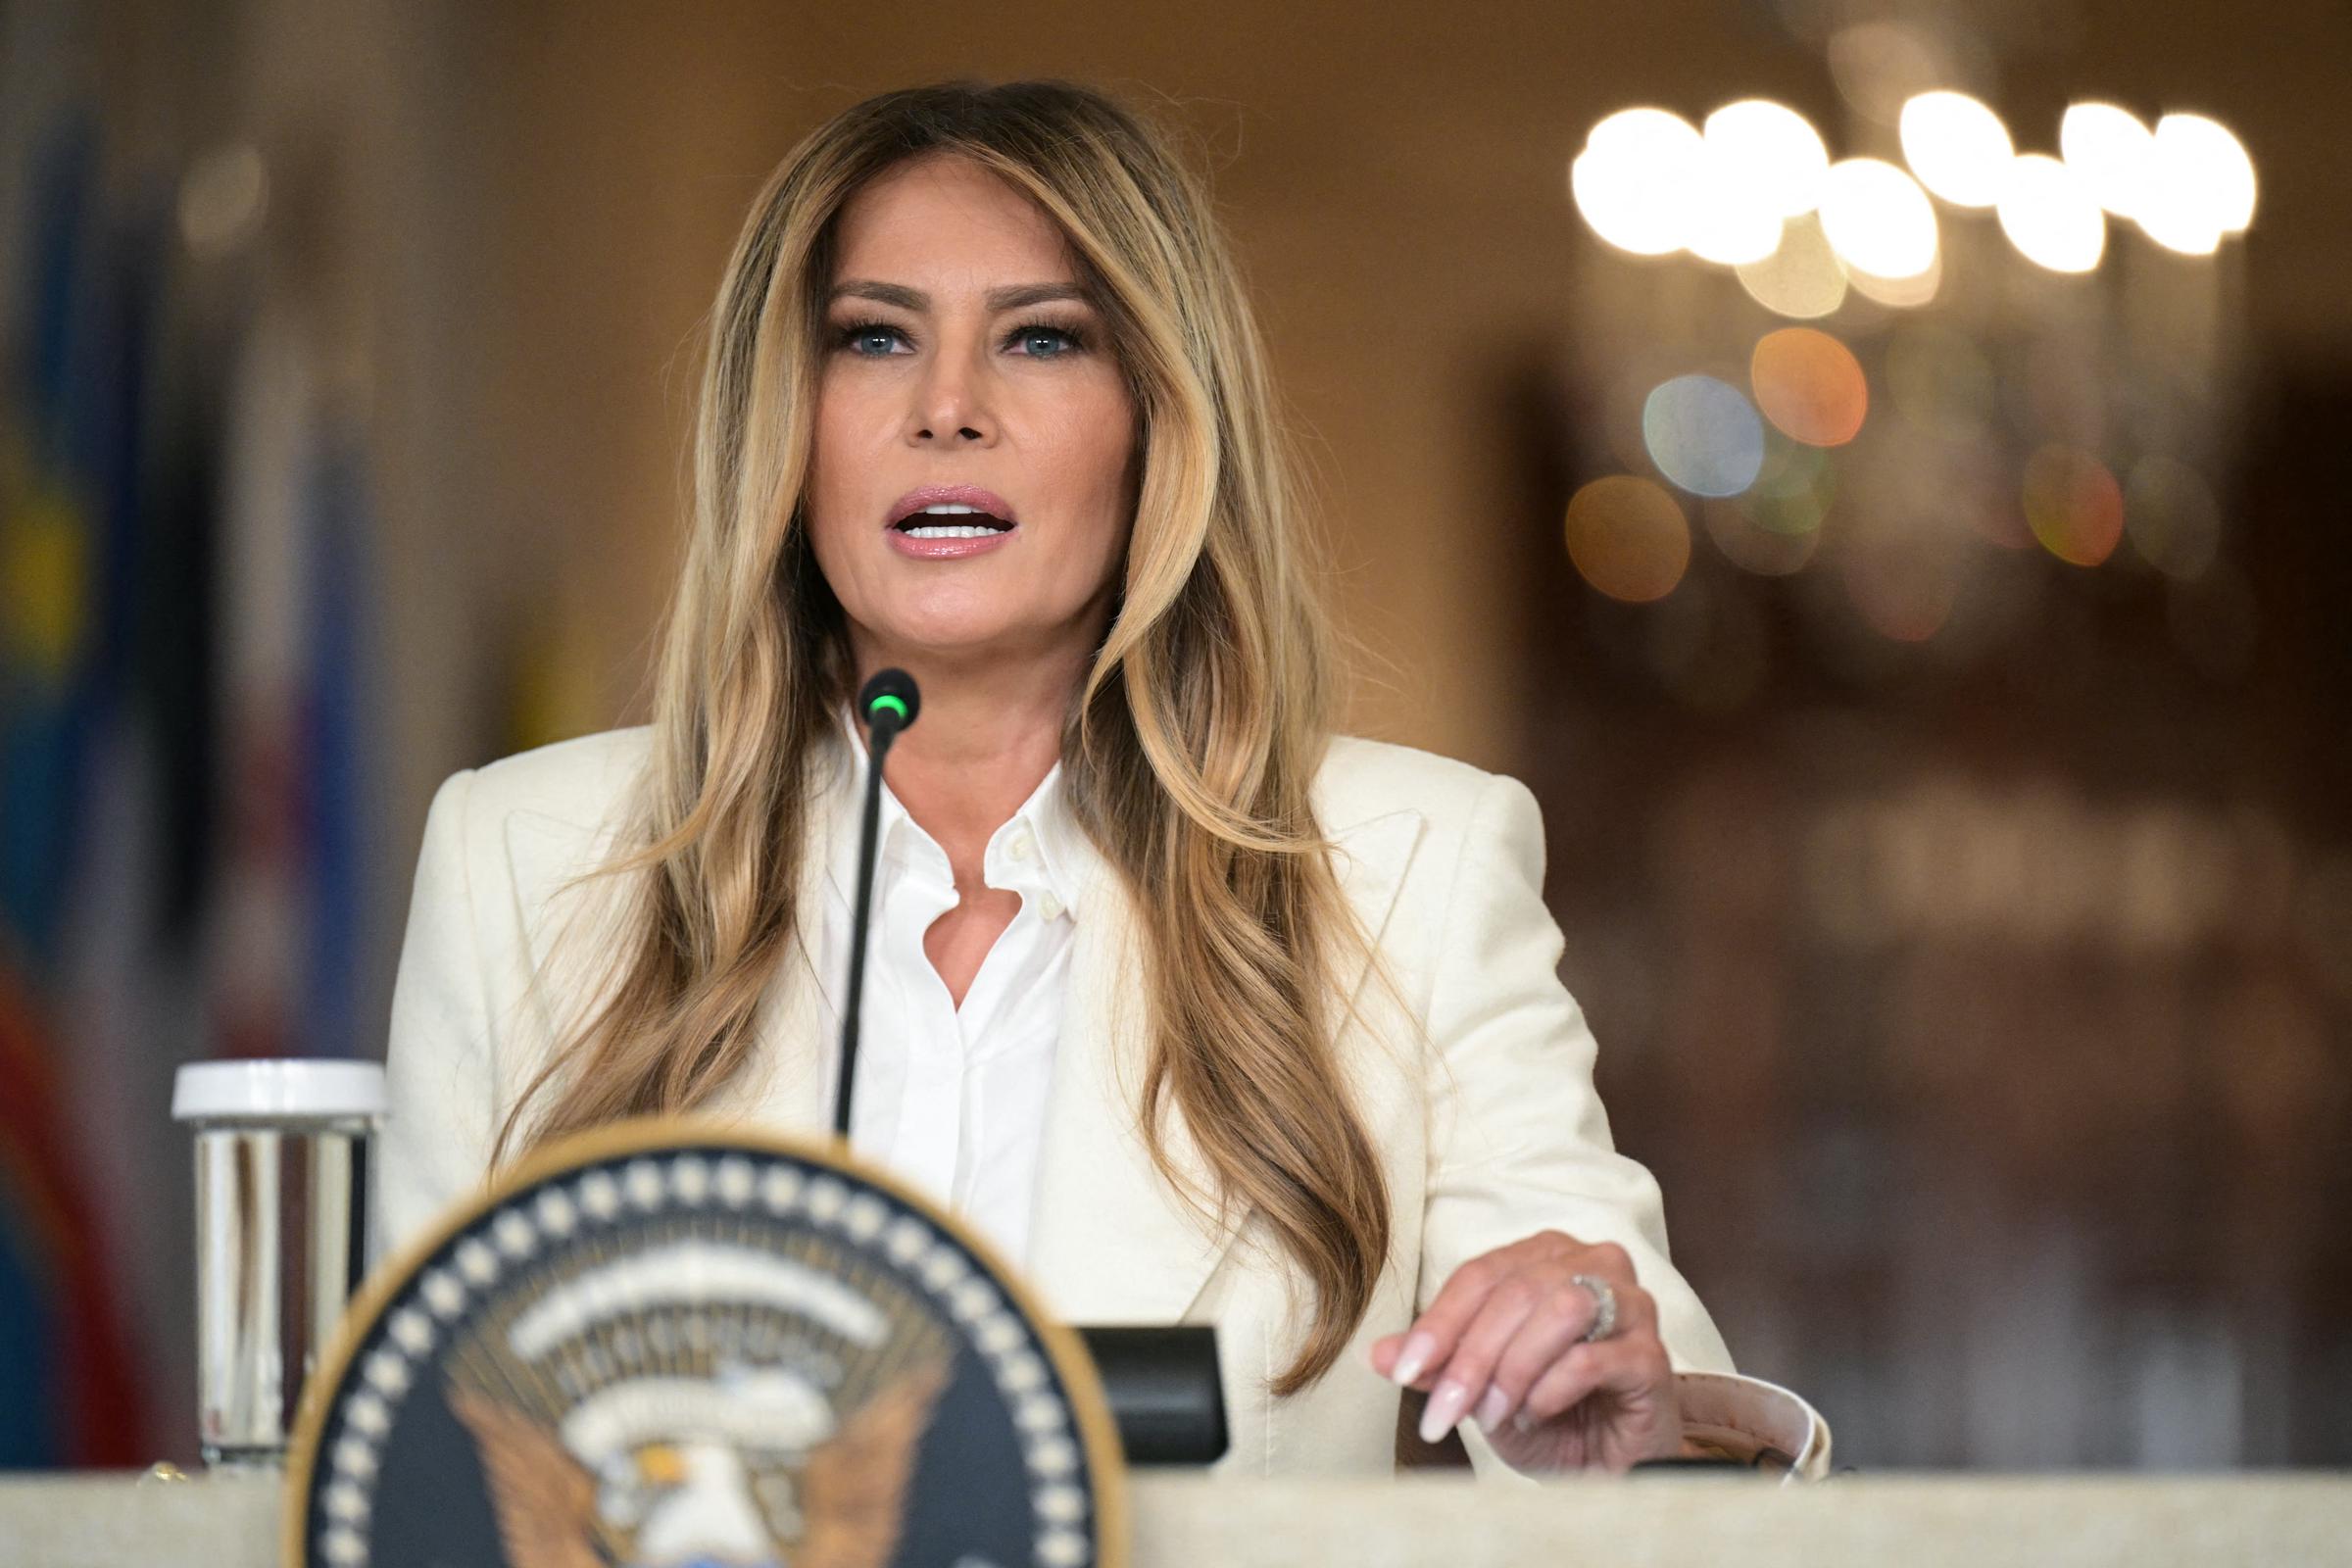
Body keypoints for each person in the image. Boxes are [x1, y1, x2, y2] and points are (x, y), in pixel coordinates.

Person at [377, 77, 1829, 1479]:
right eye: (873, 339)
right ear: (783, 418)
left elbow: (1656, 1450)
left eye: (1043, 340)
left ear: (1160, 423)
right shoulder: (526, 859)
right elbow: (405, 1474)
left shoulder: (1413, 867)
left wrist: (1602, 1382)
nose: (947, 407)